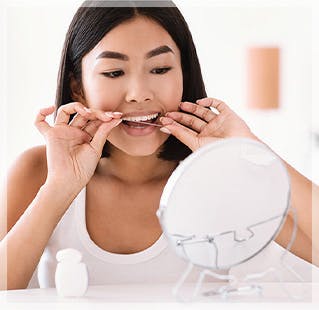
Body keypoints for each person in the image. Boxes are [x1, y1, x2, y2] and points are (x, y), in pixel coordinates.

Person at [0, 0, 317, 290]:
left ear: (184, 74)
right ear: (77, 86)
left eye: (161, 69)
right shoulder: (36, 172)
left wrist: (248, 149)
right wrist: (60, 187)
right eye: (113, 72)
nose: (139, 93)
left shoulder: (224, 179)